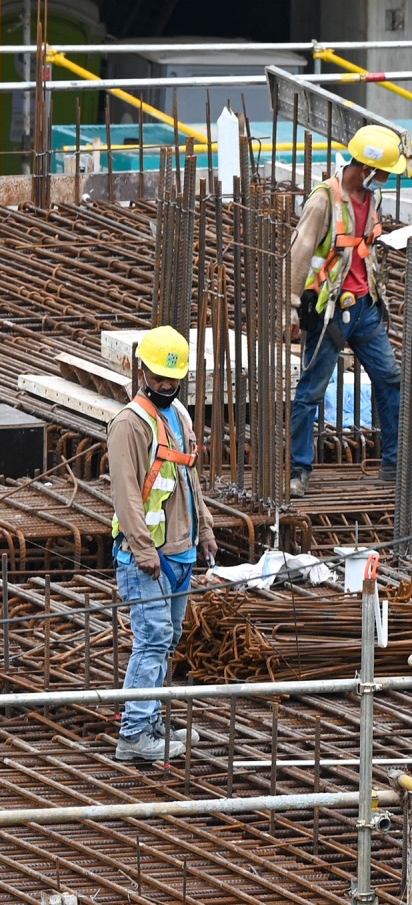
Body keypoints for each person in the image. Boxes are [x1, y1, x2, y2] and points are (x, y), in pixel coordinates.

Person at [108, 326, 216, 762]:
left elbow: (189, 480)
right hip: (145, 557)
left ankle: (148, 717)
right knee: (152, 638)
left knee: (167, 640)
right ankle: (133, 734)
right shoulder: (128, 425)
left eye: (174, 380)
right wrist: (143, 549)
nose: (167, 387)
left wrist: (205, 529)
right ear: (142, 371)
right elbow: (127, 494)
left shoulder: (180, 417)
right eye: (159, 378)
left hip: (181, 550)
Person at [286, 124, 410, 498]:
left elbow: (362, 247)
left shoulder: (369, 198)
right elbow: (298, 252)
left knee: (390, 378)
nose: (388, 178)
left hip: (365, 307)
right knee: (311, 391)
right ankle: (299, 470)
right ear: (367, 167)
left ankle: (393, 463)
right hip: (329, 311)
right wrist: (291, 309)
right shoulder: (324, 199)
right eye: (385, 171)